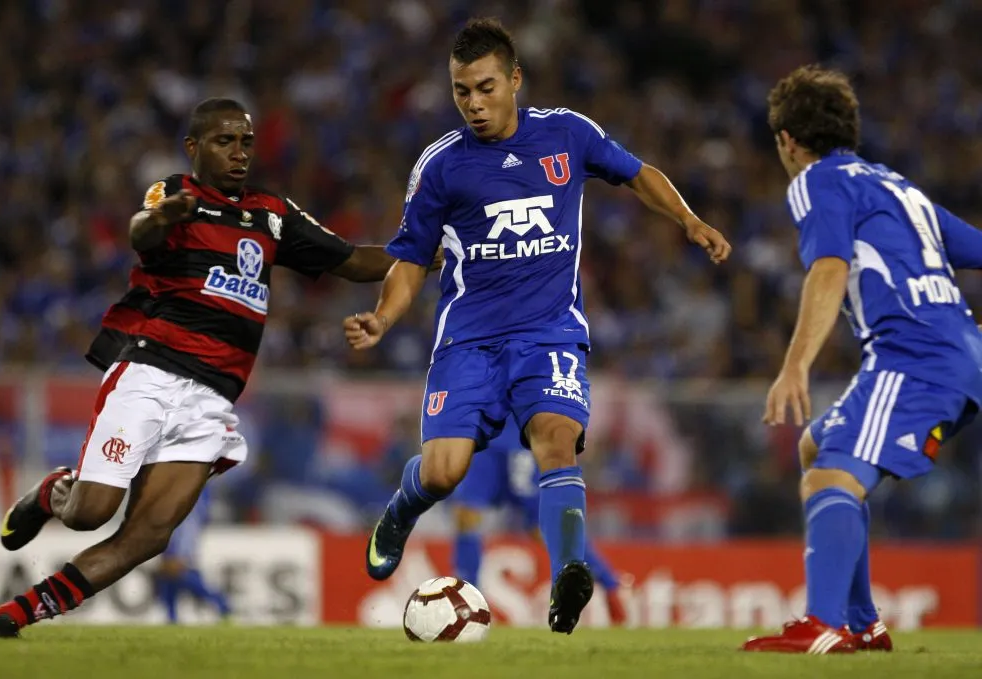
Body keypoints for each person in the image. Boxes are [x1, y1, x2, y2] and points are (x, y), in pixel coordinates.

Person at [344, 18, 730, 635]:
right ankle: (403, 506)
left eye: (486, 87)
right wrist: (385, 318)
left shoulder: (567, 134)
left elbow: (638, 173)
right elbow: (412, 257)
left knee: (556, 438)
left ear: (516, 79)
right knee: (444, 472)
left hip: (549, 333)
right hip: (468, 341)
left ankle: (569, 574)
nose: (474, 103)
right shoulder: (441, 167)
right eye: (461, 91)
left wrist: (688, 221)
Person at [0, 97, 400, 640]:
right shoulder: (178, 194)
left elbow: (355, 261)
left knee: (150, 535)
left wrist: (429, 248)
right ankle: (57, 491)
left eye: (245, 141)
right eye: (224, 141)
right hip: (151, 373)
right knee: (89, 513)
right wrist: (161, 218)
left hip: (213, 399)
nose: (239, 152)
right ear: (194, 148)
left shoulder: (272, 214)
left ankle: (14, 616)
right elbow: (141, 231)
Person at [742, 65, 982, 654]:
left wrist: (795, 365)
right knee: (816, 448)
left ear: (787, 141)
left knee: (831, 476)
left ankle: (823, 624)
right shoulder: (899, 188)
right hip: (951, 353)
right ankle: (862, 622)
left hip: (914, 358)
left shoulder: (817, 181)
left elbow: (829, 267)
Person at [449, 419, 629, 626]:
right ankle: (468, 601)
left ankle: (610, 585)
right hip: (483, 435)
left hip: (520, 437)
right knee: (466, 514)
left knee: (543, 529)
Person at [155, 486, 232, 624]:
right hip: (177, 525)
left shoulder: (192, 488)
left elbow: (195, 518)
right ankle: (171, 618)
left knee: (177, 570)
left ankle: (221, 604)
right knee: (169, 574)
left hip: (182, 528)